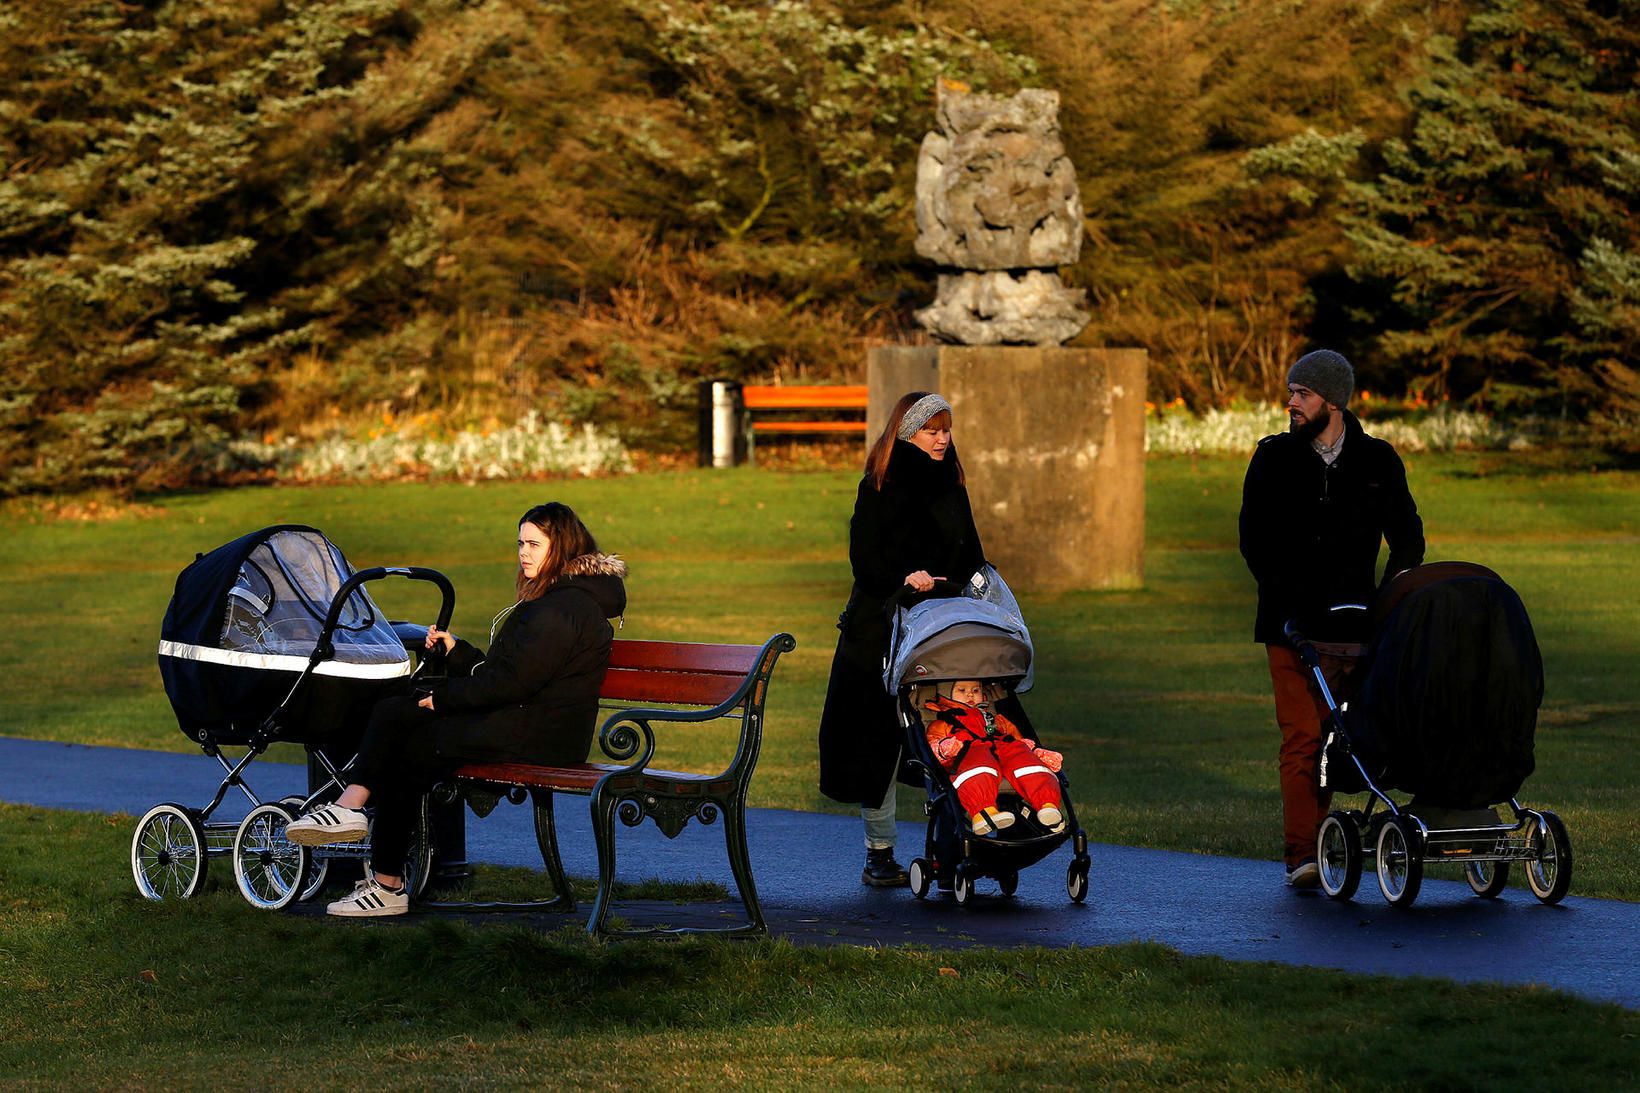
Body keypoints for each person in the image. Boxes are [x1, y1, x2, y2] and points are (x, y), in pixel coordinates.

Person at [286, 502, 627, 916]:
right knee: (402, 727)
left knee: (403, 726)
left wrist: (444, 699)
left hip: (538, 737)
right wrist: (459, 652)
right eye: (520, 543)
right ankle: (371, 853)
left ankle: (363, 836)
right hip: (530, 725)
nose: (523, 553)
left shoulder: (562, 608)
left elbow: (511, 684)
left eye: (535, 544)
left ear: (562, 548)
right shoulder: (560, 602)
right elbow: (512, 673)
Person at [1238, 349, 1424, 889]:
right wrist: (1288, 601)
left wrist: (1387, 601)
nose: (1290, 402)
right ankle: (1302, 854)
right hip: (1289, 626)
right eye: (1291, 392)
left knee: (1343, 738)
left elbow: (1408, 540)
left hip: (1357, 628)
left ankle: (1342, 836)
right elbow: (1254, 541)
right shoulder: (1272, 458)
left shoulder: (1379, 461)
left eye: (1303, 394)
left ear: (1333, 401)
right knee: (1301, 736)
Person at [818, 391, 986, 887]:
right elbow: (866, 560)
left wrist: (965, 584)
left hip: (944, 625)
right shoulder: (880, 485)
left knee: (953, 732)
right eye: (932, 430)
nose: (942, 439)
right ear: (907, 431)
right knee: (880, 746)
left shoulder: (951, 483)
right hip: (882, 630)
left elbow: (971, 552)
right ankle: (880, 851)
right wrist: (904, 578)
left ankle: (962, 841)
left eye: (946, 429)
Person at [924, 680, 1065, 836]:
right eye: (962, 690)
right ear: (946, 694)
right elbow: (933, 745)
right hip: (970, 753)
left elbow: (1016, 739)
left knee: (1022, 755)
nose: (970, 694)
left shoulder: (995, 719)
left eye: (976, 690)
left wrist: (1034, 752)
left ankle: (1047, 805)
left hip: (1003, 750)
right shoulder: (943, 723)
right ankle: (984, 812)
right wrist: (946, 747)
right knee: (978, 761)